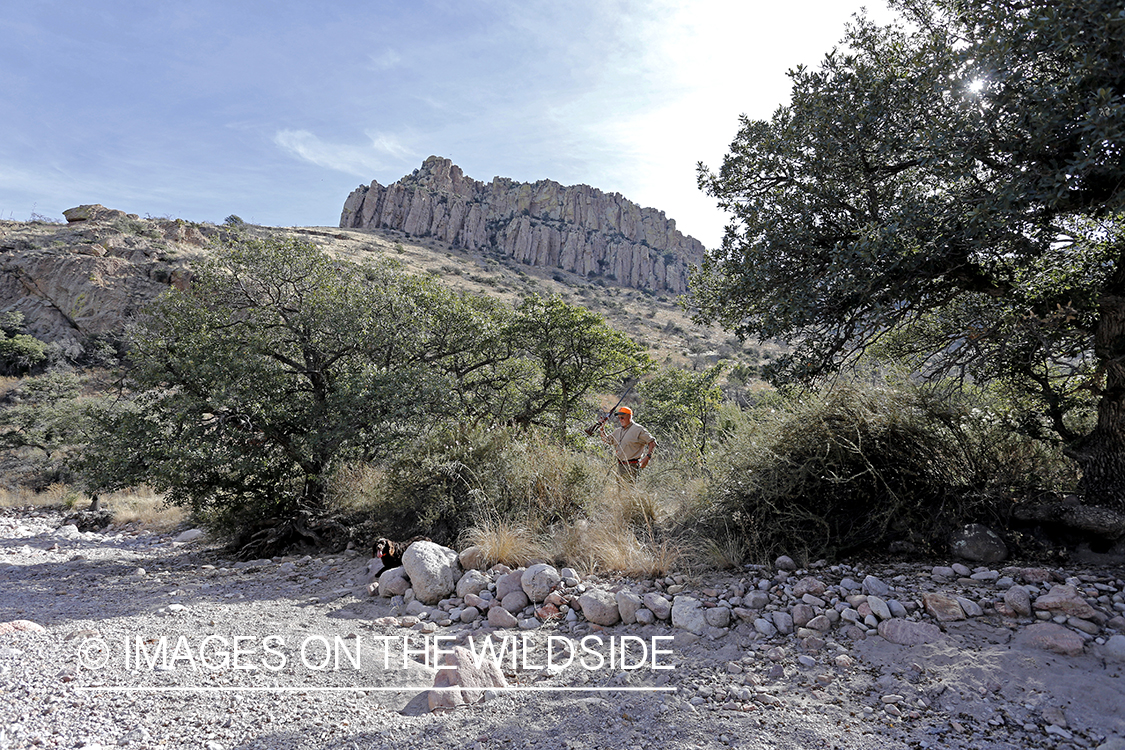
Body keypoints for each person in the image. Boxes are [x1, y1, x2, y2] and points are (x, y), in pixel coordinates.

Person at [602, 406, 657, 481]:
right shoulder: (618, 431)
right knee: (621, 491)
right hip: (620, 466)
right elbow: (606, 440)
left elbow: (652, 442)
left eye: (622, 417)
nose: (620, 420)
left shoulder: (638, 429)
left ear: (629, 416)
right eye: (619, 418)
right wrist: (602, 428)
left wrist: (647, 457)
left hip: (632, 466)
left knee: (630, 490)